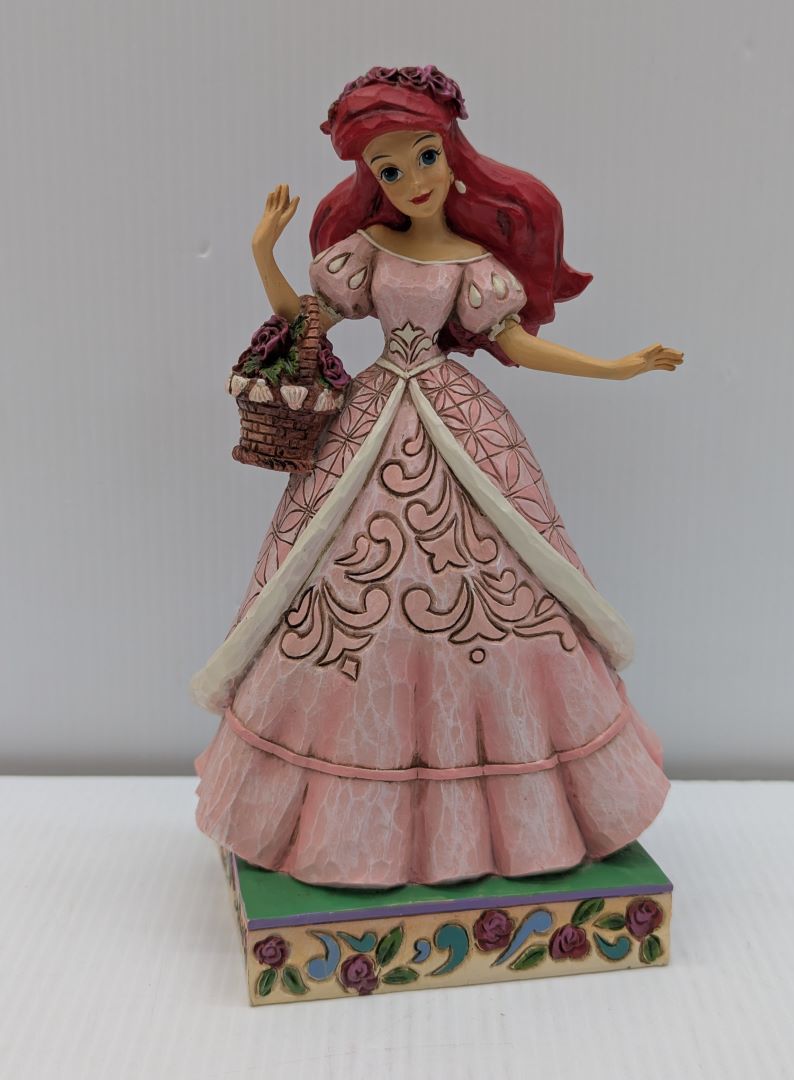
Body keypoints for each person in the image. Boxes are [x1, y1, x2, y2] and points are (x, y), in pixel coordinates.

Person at [190, 65, 683, 888]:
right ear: (371, 181)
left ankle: (514, 797)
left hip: (457, 420)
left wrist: (615, 367)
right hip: (373, 419)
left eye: (423, 156)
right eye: (389, 169)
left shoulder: (474, 264)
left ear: (452, 154)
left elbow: (517, 345)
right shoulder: (367, 251)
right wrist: (261, 253)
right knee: (340, 576)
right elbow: (304, 321)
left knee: (503, 575)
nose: (411, 179)